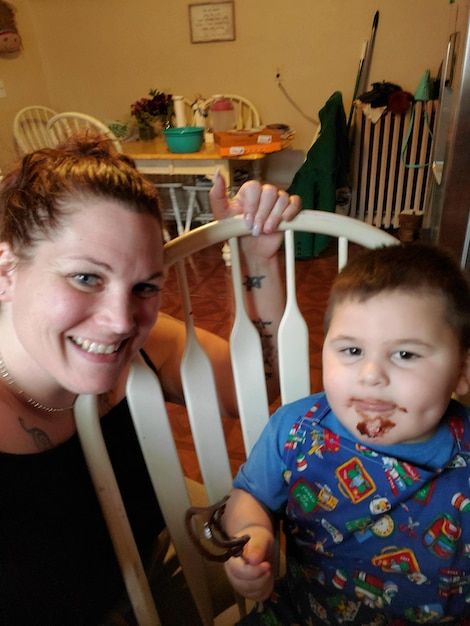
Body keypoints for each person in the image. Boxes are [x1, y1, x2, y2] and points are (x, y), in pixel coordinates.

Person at [0, 133, 301, 625]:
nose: (121, 320)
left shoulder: (142, 344)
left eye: (144, 286)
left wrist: (258, 259)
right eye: (86, 277)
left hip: (160, 560)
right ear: (6, 271)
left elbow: (251, 387)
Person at [222, 243, 470, 625]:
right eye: (352, 350)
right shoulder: (294, 432)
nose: (370, 375)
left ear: (462, 370)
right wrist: (253, 531)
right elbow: (251, 495)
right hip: (302, 613)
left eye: (405, 354)